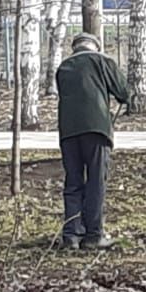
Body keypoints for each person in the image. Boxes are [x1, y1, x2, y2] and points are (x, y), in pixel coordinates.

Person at [55, 32, 130, 249]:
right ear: (95, 47)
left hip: (68, 131)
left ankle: (71, 234)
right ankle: (94, 234)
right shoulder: (102, 61)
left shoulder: (63, 68)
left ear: (75, 48)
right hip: (97, 129)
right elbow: (124, 92)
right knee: (96, 181)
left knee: (73, 181)